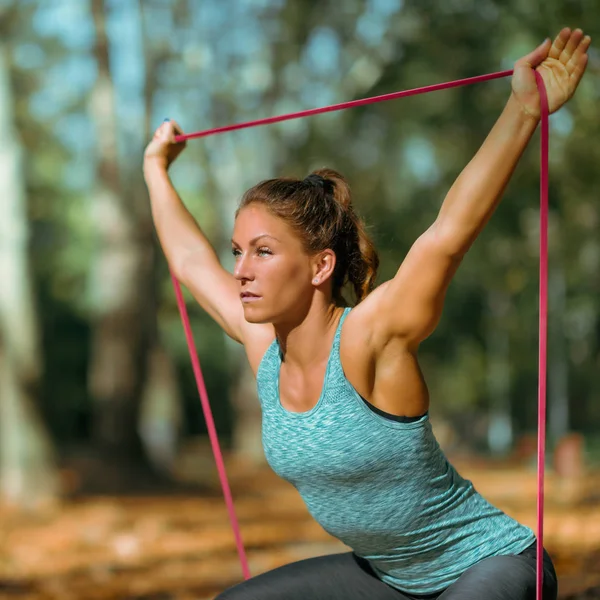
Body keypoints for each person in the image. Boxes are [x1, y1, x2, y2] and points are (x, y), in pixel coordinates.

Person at [143, 27, 590, 600]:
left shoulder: (368, 339)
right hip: (390, 578)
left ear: (320, 266)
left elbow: (446, 235)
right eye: (238, 251)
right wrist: (157, 169)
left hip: (494, 565)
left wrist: (523, 110)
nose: (241, 270)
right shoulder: (263, 351)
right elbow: (187, 259)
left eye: (263, 251)